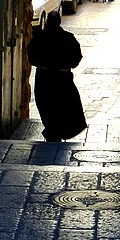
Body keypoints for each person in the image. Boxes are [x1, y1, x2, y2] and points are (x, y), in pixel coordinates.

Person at [27, 11, 87, 142]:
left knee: (45, 104)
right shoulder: (68, 38)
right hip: (62, 77)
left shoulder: (39, 37)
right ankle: (56, 130)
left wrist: (43, 64)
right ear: (59, 22)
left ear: (47, 22)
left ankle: (51, 129)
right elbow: (76, 57)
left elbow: (31, 56)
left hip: (44, 77)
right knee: (62, 104)